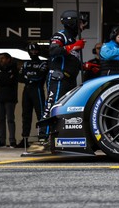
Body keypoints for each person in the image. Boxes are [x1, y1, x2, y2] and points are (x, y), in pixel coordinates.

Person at [29, 10, 87, 152]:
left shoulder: (73, 39)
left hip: (70, 80)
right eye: (80, 23)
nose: (83, 26)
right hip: (58, 79)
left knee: (66, 110)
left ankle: (59, 140)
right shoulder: (60, 35)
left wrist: (86, 66)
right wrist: (73, 47)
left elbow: (71, 61)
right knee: (51, 108)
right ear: (72, 22)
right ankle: (41, 141)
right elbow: (53, 50)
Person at [17, 43, 48, 148]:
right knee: (26, 115)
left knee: (41, 114)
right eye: (31, 51)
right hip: (27, 90)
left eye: (35, 50)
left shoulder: (43, 63)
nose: (33, 52)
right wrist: (30, 78)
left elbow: (40, 76)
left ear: (39, 51)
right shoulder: (26, 63)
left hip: (37, 90)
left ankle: (42, 137)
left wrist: (27, 77)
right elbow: (19, 77)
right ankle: (25, 139)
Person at [0, 52, 19, 147]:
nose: (1, 60)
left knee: (10, 119)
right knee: (1, 119)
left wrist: (0, 81)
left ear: (8, 59)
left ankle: (12, 140)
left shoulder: (14, 69)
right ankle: (2, 140)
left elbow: (11, 81)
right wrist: (3, 80)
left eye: (2, 58)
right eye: (0, 58)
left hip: (10, 98)